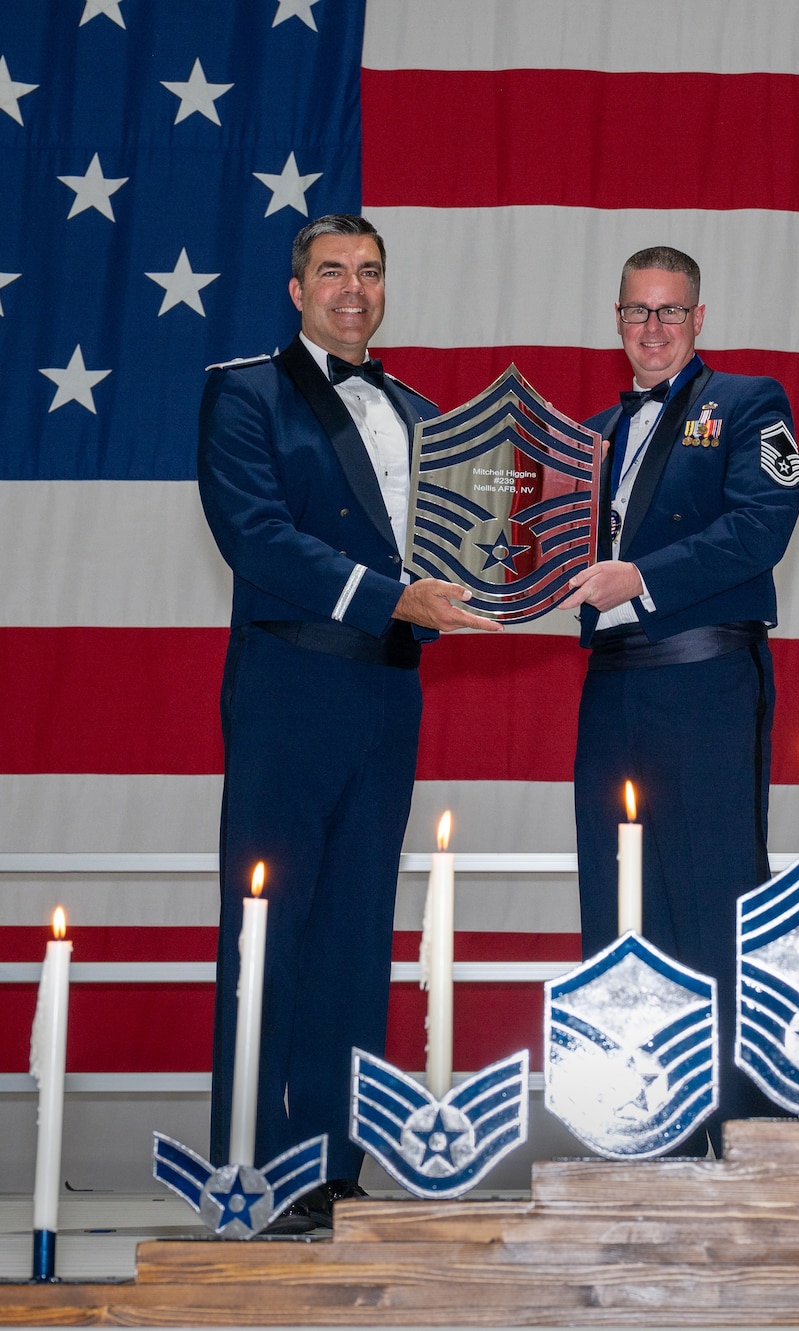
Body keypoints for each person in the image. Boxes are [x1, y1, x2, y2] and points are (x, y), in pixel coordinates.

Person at [197, 214, 498, 1232]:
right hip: (290, 683)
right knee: (269, 927)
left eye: (369, 271)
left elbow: (466, 542)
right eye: (332, 271)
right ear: (296, 289)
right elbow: (259, 539)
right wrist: (392, 597)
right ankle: (250, 1164)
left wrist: (510, 568)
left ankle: (331, 1165)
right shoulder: (242, 392)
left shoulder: (423, 411)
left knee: (357, 936)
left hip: (388, 693)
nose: (353, 287)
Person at [561, 246, 799, 1152]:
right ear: (615, 320)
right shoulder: (585, 435)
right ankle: (633, 1125)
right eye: (637, 312)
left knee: (717, 904)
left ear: (700, 319)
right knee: (619, 904)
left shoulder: (748, 404)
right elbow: (542, 547)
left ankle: (737, 1130)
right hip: (611, 688)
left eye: (670, 312)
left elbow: (760, 525)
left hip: (705, 679)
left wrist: (639, 577)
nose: (653, 330)